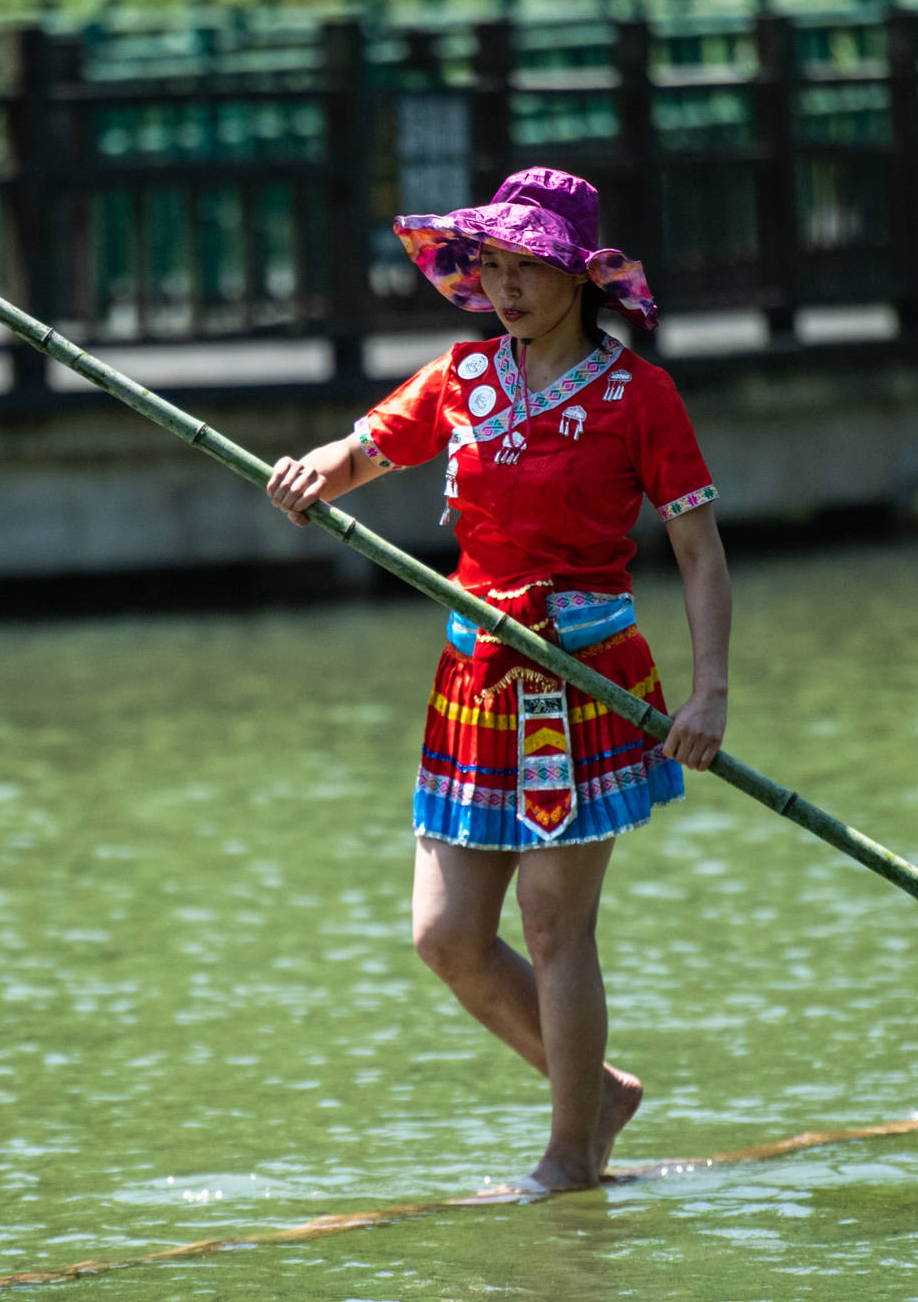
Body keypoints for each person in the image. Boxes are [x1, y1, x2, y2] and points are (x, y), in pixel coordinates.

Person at [266, 167, 730, 1194]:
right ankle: (597, 1093)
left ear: (579, 275)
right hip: (478, 680)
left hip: (586, 679)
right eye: (495, 266)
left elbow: (699, 550)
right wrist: (311, 472)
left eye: (530, 267)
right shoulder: (463, 376)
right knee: (443, 933)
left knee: (556, 922)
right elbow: (363, 450)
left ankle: (571, 1155)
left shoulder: (638, 395)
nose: (508, 286)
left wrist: (709, 694)